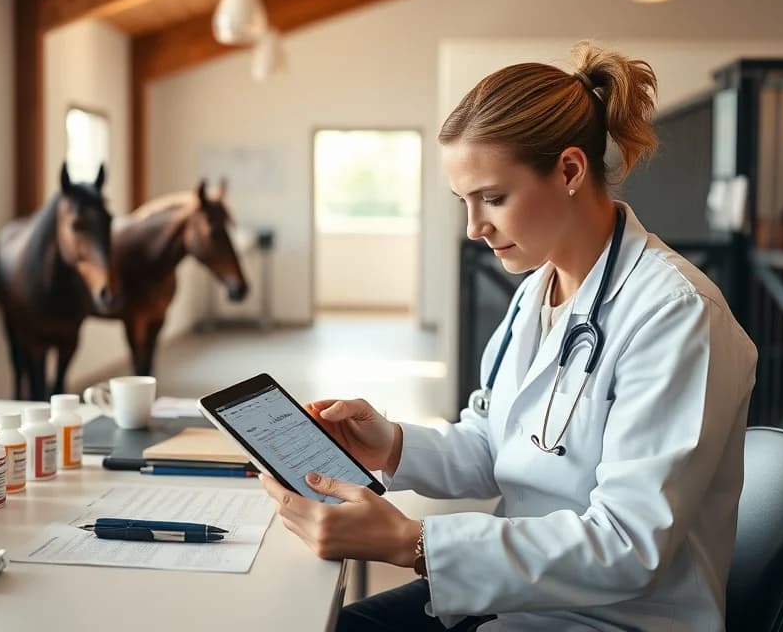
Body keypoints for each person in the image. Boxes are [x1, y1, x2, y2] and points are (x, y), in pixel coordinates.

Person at [259, 41, 757, 631]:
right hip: (521, 595)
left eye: (493, 198)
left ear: (570, 170)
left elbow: (630, 546)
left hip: (607, 619)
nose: (474, 228)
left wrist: (412, 544)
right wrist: (389, 443)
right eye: (464, 202)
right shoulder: (538, 289)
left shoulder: (675, 314)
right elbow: (498, 444)